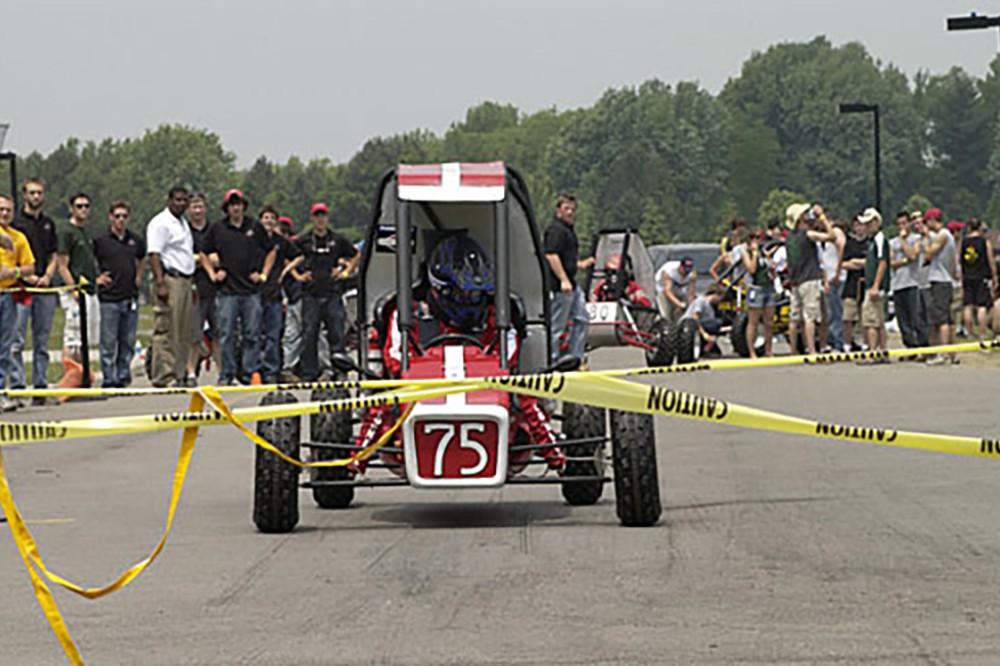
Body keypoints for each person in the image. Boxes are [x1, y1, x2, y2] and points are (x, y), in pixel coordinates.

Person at [352, 234, 565, 474]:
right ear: (440, 289)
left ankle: (560, 459)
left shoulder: (497, 314)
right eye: (464, 294)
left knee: (524, 395)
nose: (471, 301)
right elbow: (395, 357)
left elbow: (508, 355)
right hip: (419, 389)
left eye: (475, 295)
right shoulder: (408, 313)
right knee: (384, 399)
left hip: (485, 387)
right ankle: (353, 462)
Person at [203, 188, 276, 386]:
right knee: (226, 334)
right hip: (227, 291)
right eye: (232, 204)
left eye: (239, 204)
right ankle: (227, 374)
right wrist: (212, 273)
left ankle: (250, 372)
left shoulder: (254, 226)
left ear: (244, 206)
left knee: (252, 334)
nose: (236, 207)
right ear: (227, 208)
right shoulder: (218, 228)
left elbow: (271, 251)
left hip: (251, 290)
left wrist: (263, 274)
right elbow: (202, 252)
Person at [295, 202, 358, 382]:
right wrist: (298, 275)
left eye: (323, 216)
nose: (320, 219)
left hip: (333, 293)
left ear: (327, 218)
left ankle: (339, 371)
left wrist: (346, 272)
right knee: (309, 335)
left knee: (337, 334)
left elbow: (356, 254)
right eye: (317, 216)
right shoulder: (304, 241)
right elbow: (286, 256)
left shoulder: (337, 240)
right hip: (310, 294)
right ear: (312, 218)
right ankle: (308, 373)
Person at [10, 178, 59, 405]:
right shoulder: (16, 224)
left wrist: (48, 275)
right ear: (25, 195)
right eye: (32, 193)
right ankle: (18, 387)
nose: (36, 197)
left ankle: (40, 387)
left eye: (39, 193)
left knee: (42, 340)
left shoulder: (48, 224)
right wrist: (28, 276)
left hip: (44, 288)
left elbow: (53, 255)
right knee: (16, 339)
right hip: (21, 288)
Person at [93, 201, 145, 388]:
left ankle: (123, 376)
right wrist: (96, 278)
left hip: (130, 296)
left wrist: (138, 276)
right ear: (110, 217)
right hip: (109, 298)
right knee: (108, 342)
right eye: (117, 216)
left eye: (124, 216)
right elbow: (90, 260)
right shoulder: (101, 240)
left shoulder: (134, 240)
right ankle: (109, 378)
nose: (121, 220)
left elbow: (142, 257)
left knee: (128, 340)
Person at [146, 186, 195, 387]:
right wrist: (160, 283)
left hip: (185, 280)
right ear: (169, 201)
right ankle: (163, 376)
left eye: (184, 200)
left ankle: (179, 373)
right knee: (166, 329)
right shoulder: (160, 223)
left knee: (183, 331)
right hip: (169, 278)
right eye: (177, 200)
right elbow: (154, 254)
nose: (181, 204)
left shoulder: (183, 224)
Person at [544, 194, 594, 362]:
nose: (570, 212)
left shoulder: (567, 230)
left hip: (572, 284)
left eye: (573, 209)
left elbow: (565, 257)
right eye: (566, 208)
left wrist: (579, 264)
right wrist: (563, 279)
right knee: (557, 326)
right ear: (558, 210)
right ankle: (551, 360)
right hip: (560, 286)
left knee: (582, 318)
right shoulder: (556, 230)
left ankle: (575, 358)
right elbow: (551, 255)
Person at [0, 194, 36, 412]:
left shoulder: (18, 238)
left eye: (8, 210)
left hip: (7, 294)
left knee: (5, 347)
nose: (4, 213)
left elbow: (30, 267)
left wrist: (11, 272)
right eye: (0, 209)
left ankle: (2, 391)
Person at [56, 192, 101, 370]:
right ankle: (70, 374)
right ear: (71, 209)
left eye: (86, 206)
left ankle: (82, 375)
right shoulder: (67, 232)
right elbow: (62, 265)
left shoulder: (86, 232)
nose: (83, 210)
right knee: (73, 337)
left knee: (85, 337)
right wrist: (73, 288)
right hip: (74, 292)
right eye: (79, 206)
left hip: (89, 290)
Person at [259, 205, 302, 383]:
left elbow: (299, 256)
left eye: (272, 218)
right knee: (253, 335)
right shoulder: (253, 239)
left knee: (273, 336)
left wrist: (286, 271)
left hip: (275, 294)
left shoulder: (281, 242)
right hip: (253, 293)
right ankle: (254, 371)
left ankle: (272, 371)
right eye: (266, 217)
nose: (269, 221)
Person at [785, 202, 834, 355]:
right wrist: (822, 217)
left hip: (795, 281)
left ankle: (793, 350)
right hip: (809, 279)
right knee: (810, 317)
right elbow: (831, 236)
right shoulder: (808, 235)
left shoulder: (789, 239)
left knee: (794, 318)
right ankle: (812, 349)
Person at [185, 192, 217, 382]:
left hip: (215, 288)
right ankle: (190, 371)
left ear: (205, 208)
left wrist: (199, 259)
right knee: (194, 334)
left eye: (200, 206)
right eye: (194, 207)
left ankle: (223, 372)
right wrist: (204, 260)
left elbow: (221, 257)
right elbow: (185, 260)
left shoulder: (215, 230)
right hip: (193, 288)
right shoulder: (184, 231)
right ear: (189, 210)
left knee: (218, 333)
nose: (197, 210)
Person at [920, 207, 958, 365]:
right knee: (947, 318)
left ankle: (942, 353)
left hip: (940, 280)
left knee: (940, 318)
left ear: (932, 220)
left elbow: (929, 254)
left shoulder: (943, 235)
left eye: (927, 222)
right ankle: (952, 353)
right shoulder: (947, 236)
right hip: (945, 279)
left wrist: (927, 237)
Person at [889, 211, 927, 354]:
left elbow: (913, 255)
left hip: (913, 282)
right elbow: (891, 262)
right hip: (897, 284)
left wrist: (903, 241)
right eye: (899, 224)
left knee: (916, 317)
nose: (901, 226)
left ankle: (923, 346)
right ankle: (910, 348)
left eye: (904, 223)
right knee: (902, 320)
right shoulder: (892, 242)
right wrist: (903, 261)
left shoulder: (916, 239)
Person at [858, 207, 890, 362]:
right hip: (872, 284)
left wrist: (876, 284)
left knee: (871, 320)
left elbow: (882, 262)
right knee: (879, 320)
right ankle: (883, 351)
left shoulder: (879, 239)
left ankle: (872, 352)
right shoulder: (872, 241)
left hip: (874, 286)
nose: (866, 226)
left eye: (869, 223)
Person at [742, 230, 778, 358]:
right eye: (754, 238)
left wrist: (772, 269)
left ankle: (769, 350)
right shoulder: (746, 253)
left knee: (769, 322)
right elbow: (751, 269)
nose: (757, 240)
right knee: (754, 321)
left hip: (768, 287)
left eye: (758, 238)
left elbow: (770, 269)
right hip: (756, 289)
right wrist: (754, 253)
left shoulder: (764, 252)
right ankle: (752, 351)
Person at [960, 218, 997, 344]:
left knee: (968, 305)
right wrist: (994, 276)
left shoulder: (964, 242)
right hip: (981, 276)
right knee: (982, 306)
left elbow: (959, 259)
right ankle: (981, 333)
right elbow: (990, 259)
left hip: (967, 276)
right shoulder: (984, 241)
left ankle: (969, 333)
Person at [278, 215, 305, 382]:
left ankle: (301, 368)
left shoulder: (295, 246)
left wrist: (289, 271)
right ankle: (288, 368)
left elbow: (298, 260)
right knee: (291, 335)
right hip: (289, 298)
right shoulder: (277, 247)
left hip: (299, 296)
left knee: (298, 334)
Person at [840, 215, 869, 352]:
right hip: (851, 283)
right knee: (848, 316)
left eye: (862, 225)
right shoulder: (849, 243)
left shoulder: (870, 243)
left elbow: (871, 263)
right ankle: (847, 344)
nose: (859, 228)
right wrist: (859, 263)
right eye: (857, 225)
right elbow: (844, 264)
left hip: (866, 283)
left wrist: (857, 262)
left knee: (866, 316)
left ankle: (865, 343)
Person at [679, 283, 726, 356]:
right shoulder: (701, 301)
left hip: (700, 326)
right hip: (688, 325)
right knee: (716, 323)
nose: (720, 301)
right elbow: (695, 317)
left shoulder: (711, 308)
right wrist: (704, 334)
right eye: (721, 298)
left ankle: (707, 347)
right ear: (716, 294)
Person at [655, 256, 696, 327]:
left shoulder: (692, 274)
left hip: (679, 288)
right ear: (680, 267)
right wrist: (679, 304)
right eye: (685, 270)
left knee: (683, 312)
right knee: (666, 313)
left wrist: (690, 306)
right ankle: (663, 326)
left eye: (688, 271)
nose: (686, 273)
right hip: (663, 288)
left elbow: (691, 293)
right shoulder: (668, 271)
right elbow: (667, 291)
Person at [947, 220, 966, 336]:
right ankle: (954, 329)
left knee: (958, 306)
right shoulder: (951, 246)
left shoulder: (960, 245)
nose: (960, 233)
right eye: (958, 230)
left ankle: (957, 328)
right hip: (953, 281)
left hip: (958, 281)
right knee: (955, 307)